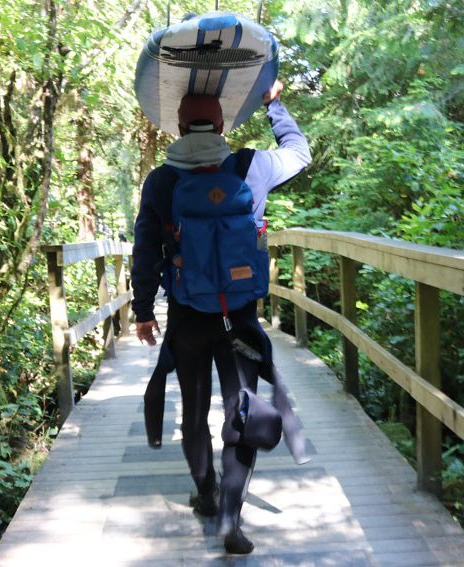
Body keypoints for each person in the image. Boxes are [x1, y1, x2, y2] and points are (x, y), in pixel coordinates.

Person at [131, 80, 311, 554]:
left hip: (188, 319)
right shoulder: (251, 166)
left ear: (178, 126)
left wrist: (143, 311)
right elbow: (299, 152)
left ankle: (207, 494)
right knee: (242, 410)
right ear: (223, 124)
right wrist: (274, 104)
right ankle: (232, 517)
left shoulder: (161, 182)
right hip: (240, 319)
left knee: (193, 411)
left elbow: (145, 250)